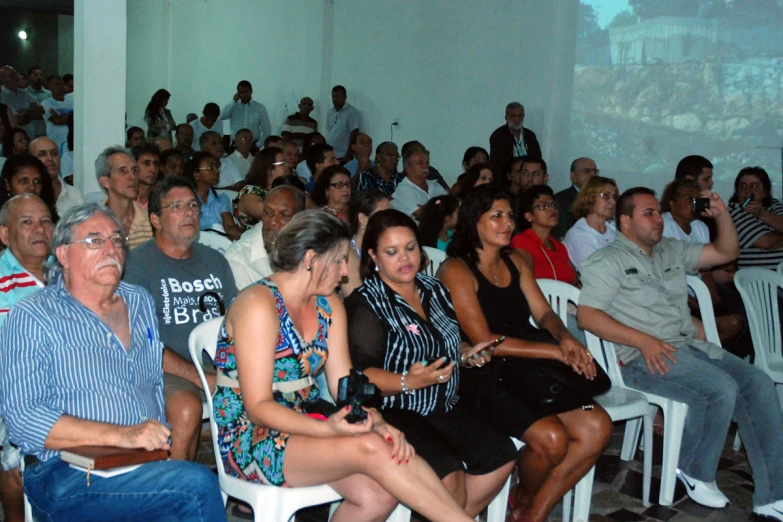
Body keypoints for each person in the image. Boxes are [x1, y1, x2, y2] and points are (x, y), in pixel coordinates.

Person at [212, 209, 477, 522]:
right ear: (311, 258)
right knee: (371, 447)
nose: (345, 272)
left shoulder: (329, 303)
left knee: (379, 486)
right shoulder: (258, 303)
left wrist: (376, 420)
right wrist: (328, 428)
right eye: (339, 260)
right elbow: (257, 407)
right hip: (250, 435)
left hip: (305, 420)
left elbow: (343, 386)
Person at [1, 203, 227, 521]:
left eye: (117, 240)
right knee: (195, 486)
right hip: (66, 470)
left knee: (183, 493)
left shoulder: (139, 302)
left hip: (141, 464)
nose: (111, 249)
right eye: (94, 240)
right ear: (63, 254)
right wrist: (123, 435)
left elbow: (152, 378)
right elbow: (24, 421)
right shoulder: (33, 316)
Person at [577, 187, 783, 518]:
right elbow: (588, 316)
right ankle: (694, 469)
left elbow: (725, 252)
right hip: (637, 358)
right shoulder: (607, 261)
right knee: (719, 388)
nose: (659, 219)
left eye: (659, 212)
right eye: (649, 213)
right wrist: (643, 340)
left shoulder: (670, 251)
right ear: (626, 221)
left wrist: (722, 215)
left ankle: (773, 496)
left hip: (686, 346)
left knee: (757, 383)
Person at [439, 185, 613, 522]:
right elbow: (485, 339)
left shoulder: (517, 260)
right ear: (475, 222)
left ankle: (531, 513)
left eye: (509, 215)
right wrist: (555, 352)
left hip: (529, 362)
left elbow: (545, 314)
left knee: (598, 426)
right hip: (484, 369)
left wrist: (567, 340)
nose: (508, 224)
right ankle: (523, 498)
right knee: (551, 439)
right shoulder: (456, 270)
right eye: (497, 216)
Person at [344, 209, 518, 516]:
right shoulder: (367, 303)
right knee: (449, 477)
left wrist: (465, 354)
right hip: (396, 409)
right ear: (373, 255)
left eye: (410, 247)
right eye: (392, 252)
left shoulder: (433, 289)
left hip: (444, 403)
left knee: (501, 455)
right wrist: (406, 381)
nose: (405, 258)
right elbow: (360, 374)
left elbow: (447, 342)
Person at [124, 175, 238, 462]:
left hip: (217, 363)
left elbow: (235, 319)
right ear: (155, 219)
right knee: (187, 408)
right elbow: (143, 341)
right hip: (164, 369)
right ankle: (176, 493)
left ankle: (250, 481)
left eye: (193, 205)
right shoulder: (137, 265)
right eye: (177, 206)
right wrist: (203, 378)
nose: (189, 212)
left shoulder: (215, 260)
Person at [0, 194, 54, 522]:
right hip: (14, 390)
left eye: (46, 221)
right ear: (5, 234)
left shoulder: (68, 273)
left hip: (66, 383)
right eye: (27, 222)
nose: (40, 229)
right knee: (12, 457)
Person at [661, 179, 746, 350]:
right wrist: (697, 304)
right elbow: (668, 276)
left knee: (746, 312)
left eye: (698, 198)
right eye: (689, 198)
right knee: (731, 322)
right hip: (675, 298)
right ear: (672, 204)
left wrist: (712, 300)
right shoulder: (663, 226)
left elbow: (705, 272)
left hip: (699, 292)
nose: (695, 203)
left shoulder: (700, 227)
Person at [225, 184, 305, 290]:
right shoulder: (238, 259)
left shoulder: (312, 245)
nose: (273, 221)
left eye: (284, 215)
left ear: (302, 217)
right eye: (268, 212)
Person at [96, 146, 152, 249]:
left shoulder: (151, 223)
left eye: (134, 170)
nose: (132, 177)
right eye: (123, 171)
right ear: (105, 181)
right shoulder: (93, 224)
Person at [727, 166, 783, 269]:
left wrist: (761, 213)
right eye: (743, 186)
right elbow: (766, 243)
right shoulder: (733, 211)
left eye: (754, 186)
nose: (748, 191)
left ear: (765, 193)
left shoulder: (775, 204)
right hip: (757, 279)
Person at [563, 176, 619, 270]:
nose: (613, 201)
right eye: (605, 195)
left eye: (615, 197)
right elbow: (599, 271)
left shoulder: (615, 228)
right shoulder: (578, 235)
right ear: (590, 197)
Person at [342, 190, 390, 297]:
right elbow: (355, 301)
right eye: (383, 215)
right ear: (363, 219)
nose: (389, 220)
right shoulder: (348, 254)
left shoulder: (383, 245)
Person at [184, 152, 242, 241]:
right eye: (210, 168)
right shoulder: (186, 200)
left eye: (217, 167)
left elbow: (230, 225)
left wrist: (241, 237)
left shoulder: (221, 198)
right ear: (196, 174)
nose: (217, 171)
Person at [232, 147, 287, 230]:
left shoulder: (278, 190)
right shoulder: (250, 191)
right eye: (282, 163)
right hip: (254, 240)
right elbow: (267, 212)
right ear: (269, 168)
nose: (287, 165)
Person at [390, 147, 448, 221]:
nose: (425, 166)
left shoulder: (435, 185)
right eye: (420, 163)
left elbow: (450, 205)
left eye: (427, 163)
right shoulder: (404, 189)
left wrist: (429, 206)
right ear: (408, 167)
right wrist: (439, 204)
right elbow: (422, 215)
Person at [29, 136, 82, 215]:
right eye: (42, 154)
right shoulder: (28, 194)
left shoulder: (74, 194)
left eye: (54, 153)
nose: (50, 158)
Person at [0, 154, 58, 224]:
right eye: (24, 181)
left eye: (37, 181)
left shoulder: (51, 219)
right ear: (8, 184)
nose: (32, 187)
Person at [489, 102, 541, 175]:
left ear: (524, 116)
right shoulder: (498, 136)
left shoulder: (530, 135)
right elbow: (498, 163)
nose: (517, 119)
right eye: (513, 116)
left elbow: (537, 159)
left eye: (520, 116)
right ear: (506, 118)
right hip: (507, 178)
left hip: (529, 177)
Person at [553, 158, 598, 239]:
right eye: (586, 171)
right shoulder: (560, 200)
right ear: (573, 176)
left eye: (594, 171)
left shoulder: (601, 199)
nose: (592, 175)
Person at [220, 80, 271, 146]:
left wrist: (258, 145)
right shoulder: (233, 106)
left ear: (251, 91)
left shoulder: (260, 108)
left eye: (246, 92)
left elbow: (266, 129)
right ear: (238, 93)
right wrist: (233, 101)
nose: (244, 94)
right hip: (235, 145)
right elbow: (221, 116)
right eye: (241, 92)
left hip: (253, 145)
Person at [0, 66, 44, 140]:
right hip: (15, 140)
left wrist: (26, 112)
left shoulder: (23, 92)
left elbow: (41, 109)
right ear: (3, 79)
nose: (16, 77)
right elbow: (17, 120)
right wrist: (33, 115)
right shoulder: (2, 96)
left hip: (30, 136)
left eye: (16, 74)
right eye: (11, 76)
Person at [326, 85, 360, 161]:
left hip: (343, 155)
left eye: (338, 96)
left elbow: (354, 132)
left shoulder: (352, 112)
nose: (335, 99)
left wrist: (349, 153)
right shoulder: (330, 112)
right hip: (331, 154)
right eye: (333, 96)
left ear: (345, 97)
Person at [39, 75, 72, 151]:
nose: (60, 86)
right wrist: (72, 118)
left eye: (62, 83)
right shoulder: (46, 103)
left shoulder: (72, 102)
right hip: (56, 143)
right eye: (57, 84)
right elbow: (57, 121)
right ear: (49, 86)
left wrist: (61, 116)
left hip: (72, 143)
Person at [131, 142, 161, 210]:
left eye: (156, 164)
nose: (153, 169)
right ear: (134, 166)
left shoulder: (162, 198)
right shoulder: (125, 198)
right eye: (146, 164)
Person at [24, 67, 50, 139]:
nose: (39, 77)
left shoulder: (49, 94)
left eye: (41, 75)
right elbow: (24, 113)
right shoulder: (24, 93)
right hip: (29, 131)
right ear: (29, 77)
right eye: (35, 75)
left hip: (46, 130)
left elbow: (50, 112)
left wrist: (32, 114)